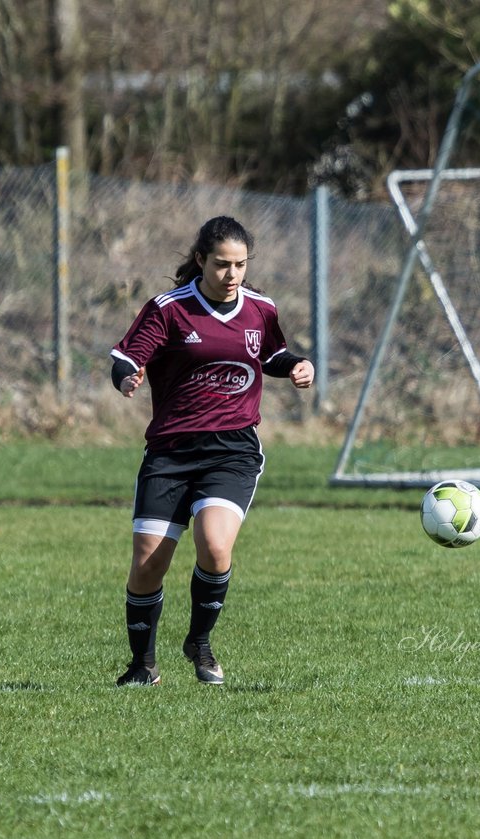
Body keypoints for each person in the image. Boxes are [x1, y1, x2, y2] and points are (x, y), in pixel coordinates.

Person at [109, 215, 315, 686]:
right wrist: (127, 376)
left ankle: (199, 643)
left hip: (232, 450)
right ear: (200, 259)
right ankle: (142, 665)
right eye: (222, 264)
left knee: (216, 546)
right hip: (171, 453)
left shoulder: (260, 308)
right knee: (147, 563)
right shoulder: (168, 309)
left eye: (241, 265)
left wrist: (297, 365)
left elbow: (269, 354)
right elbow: (125, 356)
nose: (232, 275)